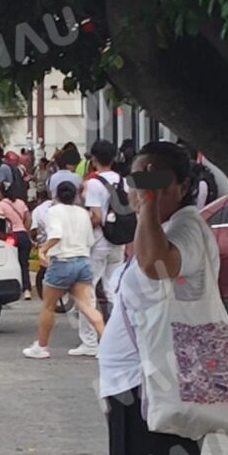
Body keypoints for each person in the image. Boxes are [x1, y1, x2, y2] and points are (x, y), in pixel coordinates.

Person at [100, 141, 218, 455]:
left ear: (184, 186)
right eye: (138, 179)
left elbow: (155, 266)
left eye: (157, 180)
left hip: (154, 385)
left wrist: (146, 204)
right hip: (142, 383)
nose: (143, 190)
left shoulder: (186, 230)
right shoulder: (164, 226)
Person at [23, 182, 106, 359]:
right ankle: (107, 345)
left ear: (56, 195)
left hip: (62, 262)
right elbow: (90, 240)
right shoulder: (83, 213)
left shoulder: (53, 212)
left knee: (48, 306)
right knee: (87, 306)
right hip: (83, 261)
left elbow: (56, 235)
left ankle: (42, 347)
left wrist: (43, 249)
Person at [72, 139, 125, 357]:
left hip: (98, 243)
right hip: (118, 241)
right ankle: (121, 339)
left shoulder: (94, 183)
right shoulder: (123, 180)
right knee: (115, 292)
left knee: (87, 292)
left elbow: (96, 216)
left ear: (93, 159)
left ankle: (91, 342)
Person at [0, 182, 33, 299]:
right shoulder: (21, 203)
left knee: (10, 262)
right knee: (24, 263)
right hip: (23, 235)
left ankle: (11, 287)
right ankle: (27, 290)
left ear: (0, 192)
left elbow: (0, 222)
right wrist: (24, 229)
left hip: (11, 236)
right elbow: (28, 219)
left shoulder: (0, 205)